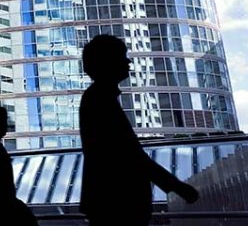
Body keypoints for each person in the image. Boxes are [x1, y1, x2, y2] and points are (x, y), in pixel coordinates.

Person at [79, 35, 199, 226]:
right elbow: (130, 154)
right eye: (121, 56)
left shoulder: (96, 98)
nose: (128, 61)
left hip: (111, 203)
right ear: (107, 62)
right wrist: (177, 186)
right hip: (118, 204)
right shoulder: (100, 100)